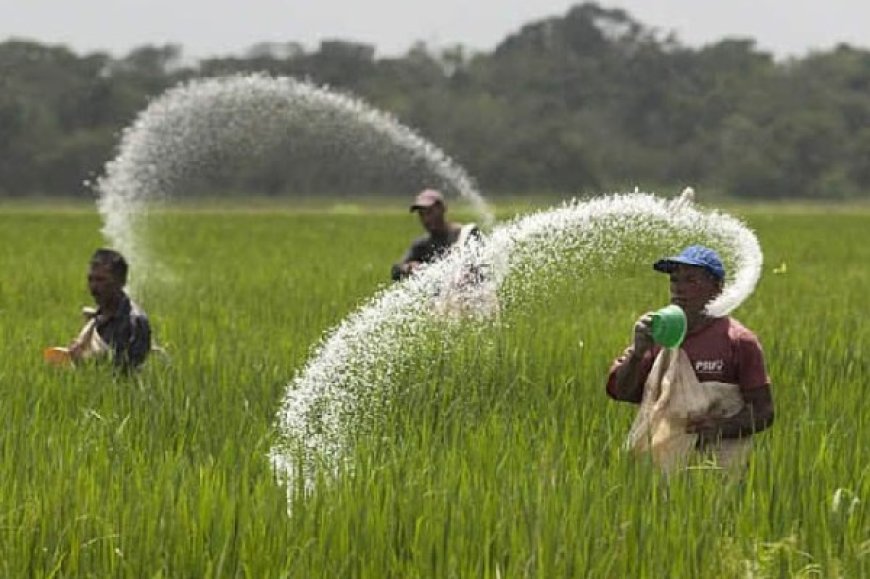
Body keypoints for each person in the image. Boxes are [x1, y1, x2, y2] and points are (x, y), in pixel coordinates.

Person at [606, 245, 774, 451]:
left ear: (717, 288)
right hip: (660, 466)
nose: (679, 288)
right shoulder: (658, 334)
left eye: (691, 280)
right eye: (675, 280)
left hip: (719, 465)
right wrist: (637, 353)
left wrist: (719, 428)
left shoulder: (739, 341)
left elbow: (763, 412)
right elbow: (622, 392)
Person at [67, 248, 152, 371]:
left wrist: (84, 362)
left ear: (121, 282)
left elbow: (129, 372)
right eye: (91, 279)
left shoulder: (134, 322)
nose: (93, 287)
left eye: (101, 280)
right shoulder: (95, 318)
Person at [390, 189, 479, 281]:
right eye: (421, 214)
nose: (426, 219)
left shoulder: (466, 234)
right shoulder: (422, 245)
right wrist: (409, 268)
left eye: (430, 212)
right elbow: (396, 270)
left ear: (442, 209)